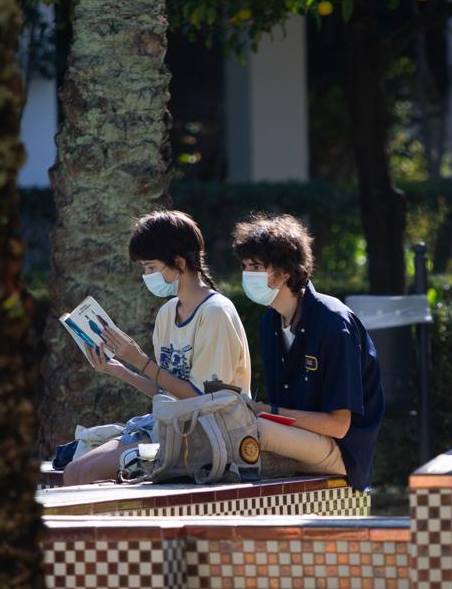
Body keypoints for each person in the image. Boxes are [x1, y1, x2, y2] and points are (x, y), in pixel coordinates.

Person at [62, 210, 251, 485]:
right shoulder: (167, 313)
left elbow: (204, 401)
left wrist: (140, 361)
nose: (146, 275)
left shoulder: (215, 313)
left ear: (178, 262)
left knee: (80, 474)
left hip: (207, 436)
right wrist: (119, 370)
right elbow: (167, 395)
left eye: (151, 267)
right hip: (170, 428)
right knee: (73, 469)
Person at [231, 213, 384, 492]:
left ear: (284, 271)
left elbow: (339, 426)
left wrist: (270, 412)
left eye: (255, 266)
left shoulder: (333, 324)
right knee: (229, 429)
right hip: (297, 441)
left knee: (247, 431)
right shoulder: (269, 323)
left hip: (342, 454)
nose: (246, 274)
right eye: (244, 265)